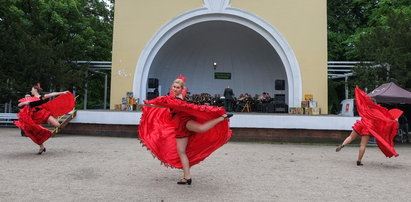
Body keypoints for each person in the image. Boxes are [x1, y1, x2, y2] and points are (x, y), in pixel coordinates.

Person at [138, 75, 233, 185]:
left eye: (178, 87)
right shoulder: (175, 98)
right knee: (182, 151)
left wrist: (149, 103)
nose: (175, 89)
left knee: (199, 132)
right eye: (174, 86)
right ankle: (187, 177)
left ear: (181, 89)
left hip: (183, 123)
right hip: (181, 124)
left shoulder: (175, 100)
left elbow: (165, 103)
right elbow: (165, 105)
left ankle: (222, 117)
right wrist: (151, 105)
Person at [336, 86, 403, 166]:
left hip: (361, 123)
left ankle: (343, 144)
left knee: (350, 137)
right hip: (368, 127)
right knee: (362, 145)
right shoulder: (377, 111)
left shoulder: (365, 108)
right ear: (374, 103)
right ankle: (359, 160)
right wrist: (394, 121)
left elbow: (360, 102)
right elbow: (384, 119)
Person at [14, 84, 75, 154]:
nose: (31, 91)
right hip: (34, 115)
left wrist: (62, 92)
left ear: (35, 90)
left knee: (57, 125)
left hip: (42, 112)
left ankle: (46, 133)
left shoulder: (41, 97)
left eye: (32, 89)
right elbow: (20, 104)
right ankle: (41, 147)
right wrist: (24, 103)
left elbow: (52, 94)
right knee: (34, 132)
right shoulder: (30, 99)